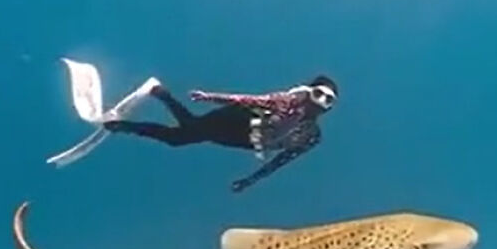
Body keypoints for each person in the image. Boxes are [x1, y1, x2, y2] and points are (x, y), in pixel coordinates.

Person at [103, 75, 339, 192]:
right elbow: (249, 99)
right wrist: (209, 97)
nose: (322, 102)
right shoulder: (285, 101)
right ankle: (135, 114)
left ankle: (157, 95)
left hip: (245, 140)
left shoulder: (312, 136)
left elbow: (282, 160)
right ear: (308, 92)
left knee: (181, 136)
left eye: (329, 100)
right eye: (319, 94)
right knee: (184, 133)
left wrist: (252, 180)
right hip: (239, 118)